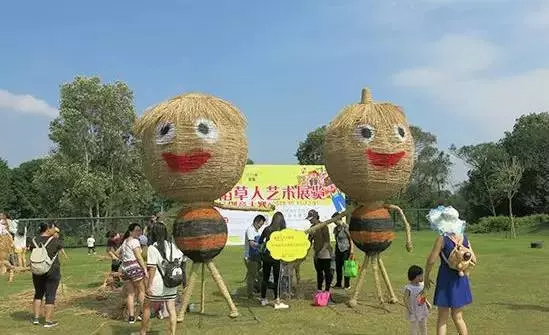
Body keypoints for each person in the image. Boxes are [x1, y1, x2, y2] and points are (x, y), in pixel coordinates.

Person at [424, 206, 476, 335]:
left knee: (442, 318)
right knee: (458, 317)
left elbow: (431, 260)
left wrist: (426, 276)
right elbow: (474, 259)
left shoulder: (442, 238)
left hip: (446, 279)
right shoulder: (464, 237)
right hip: (460, 279)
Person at [140, 223, 186, 335]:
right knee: (171, 309)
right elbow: (182, 261)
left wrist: (149, 286)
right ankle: (172, 333)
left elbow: (152, 268)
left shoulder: (152, 248)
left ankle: (143, 332)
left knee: (146, 307)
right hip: (171, 283)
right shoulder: (173, 246)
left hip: (157, 284)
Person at [30, 222, 64, 328]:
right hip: (52, 271)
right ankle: (48, 321)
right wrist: (56, 236)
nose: (55, 229)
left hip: (37, 270)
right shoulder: (55, 240)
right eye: (53, 228)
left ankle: (36, 318)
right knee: (50, 295)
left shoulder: (33, 240)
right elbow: (60, 247)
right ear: (48, 229)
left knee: (38, 293)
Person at [117, 223, 148, 324]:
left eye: (140, 230)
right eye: (137, 230)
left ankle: (131, 317)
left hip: (125, 268)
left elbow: (117, 253)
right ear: (131, 231)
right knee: (142, 291)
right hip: (135, 268)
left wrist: (124, 259)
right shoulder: (135, 241)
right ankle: (142, 313)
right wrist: (145, 269)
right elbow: (139, 257)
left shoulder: (125, 241)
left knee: (130, 294)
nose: (139, 232)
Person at [258, 212, 289, 309]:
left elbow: (260, 241)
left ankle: (263, 299)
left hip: (266, 256)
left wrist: (267, 243)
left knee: (265, 278)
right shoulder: (283, 231)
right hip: (277, 257)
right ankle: (277, 300)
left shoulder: (267, 229)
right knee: (277, 279)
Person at [307, 210, 334, 295]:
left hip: (325, 252)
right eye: (309, 219)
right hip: (317, 252)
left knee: (327, 272)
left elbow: (327, 241)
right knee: (319, 272)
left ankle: (327, 290)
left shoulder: (323, 226)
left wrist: (321, 252)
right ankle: (319, 289)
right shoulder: (312, 227)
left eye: (311, 218)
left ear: (315, 217)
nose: (310, 220)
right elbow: (309, 241)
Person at [404, 265, 431, 335]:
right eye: (421, 276)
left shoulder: (422, 285)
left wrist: (427, 303)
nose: (422, 277)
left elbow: (422, 296)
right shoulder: (409, 288)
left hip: (422, 309)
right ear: (415, 277)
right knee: (414, 328)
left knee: (423, 326)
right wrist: (409, 309)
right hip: (414, 311)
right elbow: (405, 299)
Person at [244, 215, 266, 298]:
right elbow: (252, 244)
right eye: (260, 224)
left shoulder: (258, 231)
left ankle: (256, 289)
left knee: (259, 274)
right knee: (252, 275)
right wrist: (261, 246)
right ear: (256, 221)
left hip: (257, 256)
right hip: (250, 257)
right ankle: (250, 294)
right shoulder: (250, 230)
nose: (261, 226)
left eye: (262, 224)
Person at [332, 212, 353, 289]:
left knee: (346, 267)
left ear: (338, 219)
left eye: (334, 220)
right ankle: (338, 283)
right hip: (338, 249)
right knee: (338, 267)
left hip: (346, 249)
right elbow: (336, 240)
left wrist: (352, 251)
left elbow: (351, 239)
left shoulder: (345, 227)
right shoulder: (335, 229)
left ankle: (347, 285)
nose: (334, 222)